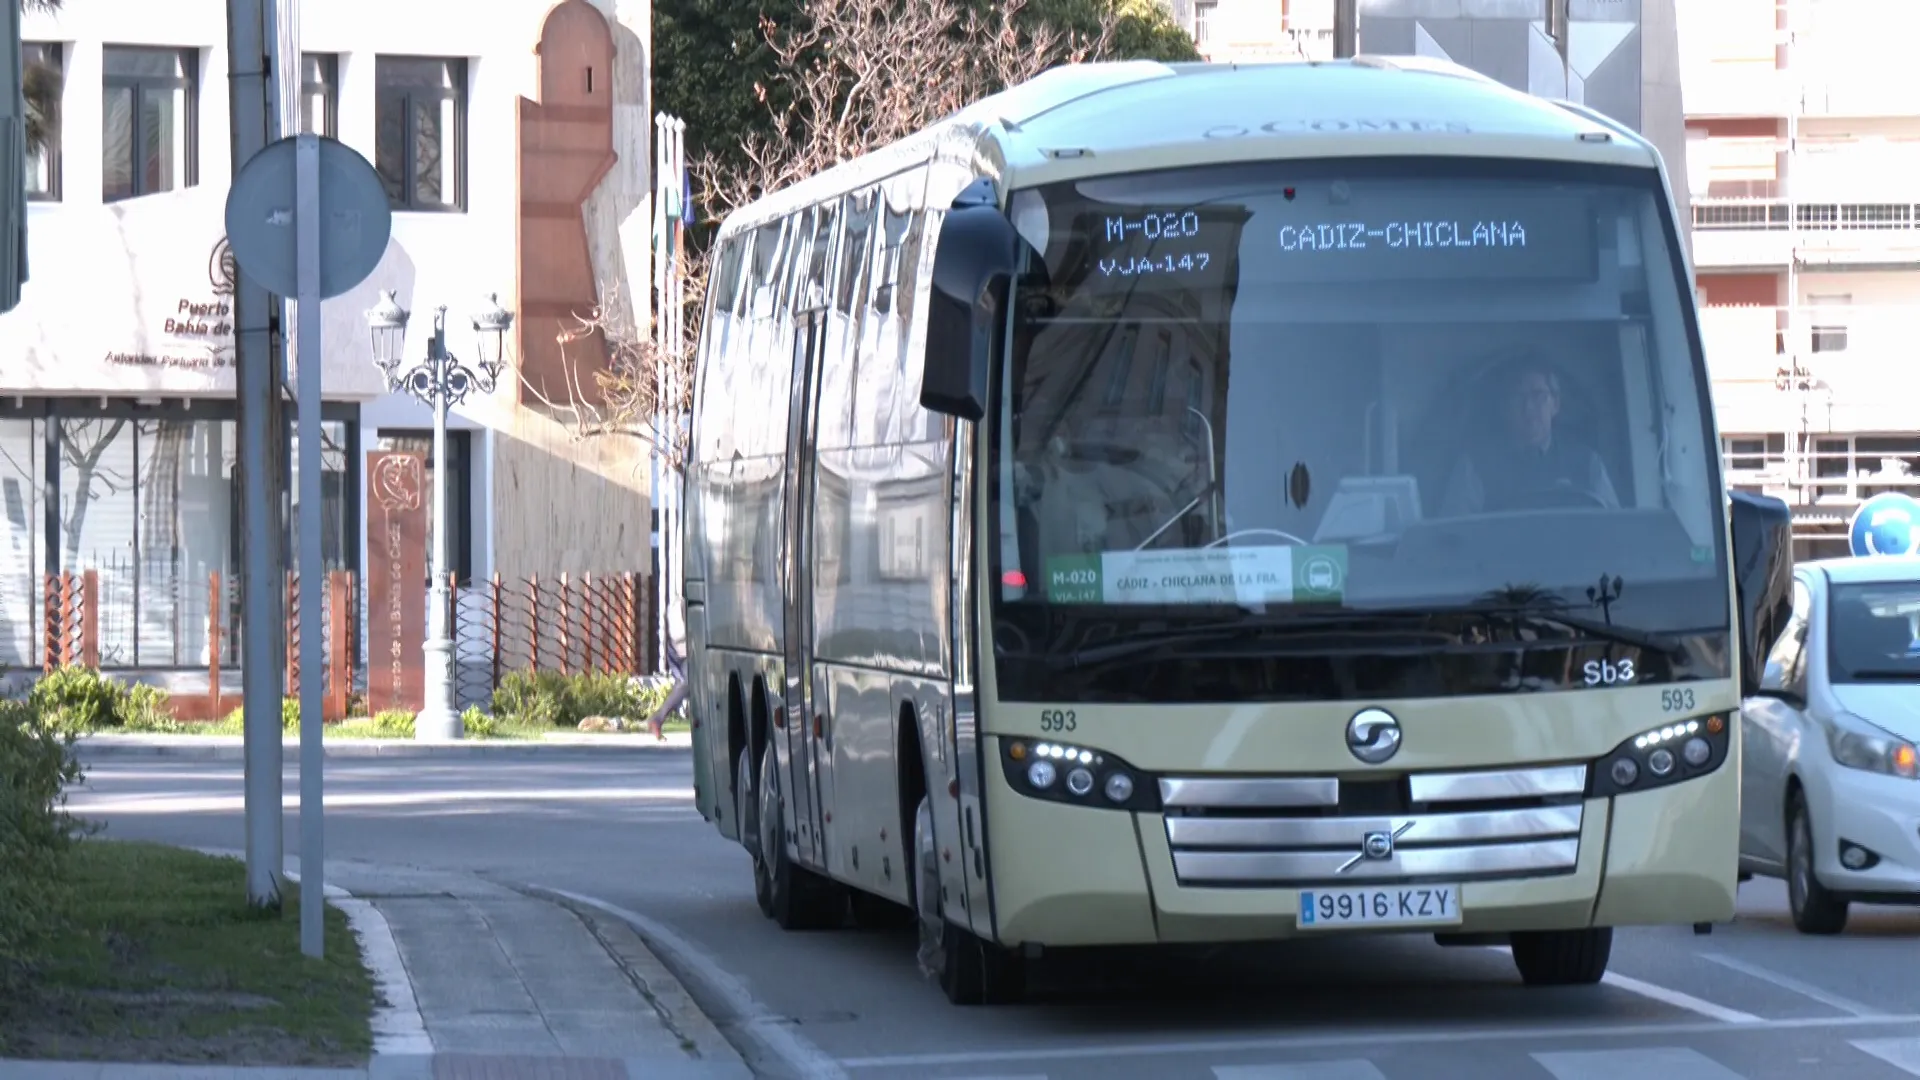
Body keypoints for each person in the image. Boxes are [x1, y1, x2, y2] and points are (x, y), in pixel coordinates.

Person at [1438, 357, 1621, 516]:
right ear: (1504, 408)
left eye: (1538, 395)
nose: (1529, 408)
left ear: (1555, 404)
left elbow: (1613, 528)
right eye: (1518, 397)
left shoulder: (1587, 462)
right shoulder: (1474, 466)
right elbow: (1452, 539)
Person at [646, 600, 687, 741]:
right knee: (685, 683)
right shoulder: (679, 609)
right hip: (680, 647)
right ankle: (657, 719)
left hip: (679, 646)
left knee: (685, 683)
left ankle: (657, 719)